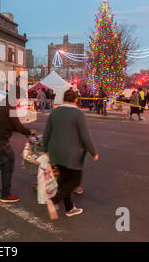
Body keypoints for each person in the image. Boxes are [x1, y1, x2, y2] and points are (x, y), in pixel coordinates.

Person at [42, 89, 99, 219]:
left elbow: (47, 133)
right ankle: (54, 200)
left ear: (63, 99)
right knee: (75, 180)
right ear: (76, 100)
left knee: (64, 180)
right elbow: (85, 136)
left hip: (55, 152)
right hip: (72, 154)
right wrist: (93, 152)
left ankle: (69, 208)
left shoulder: (54, 112)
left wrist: (45, 149)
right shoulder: (78, 114)